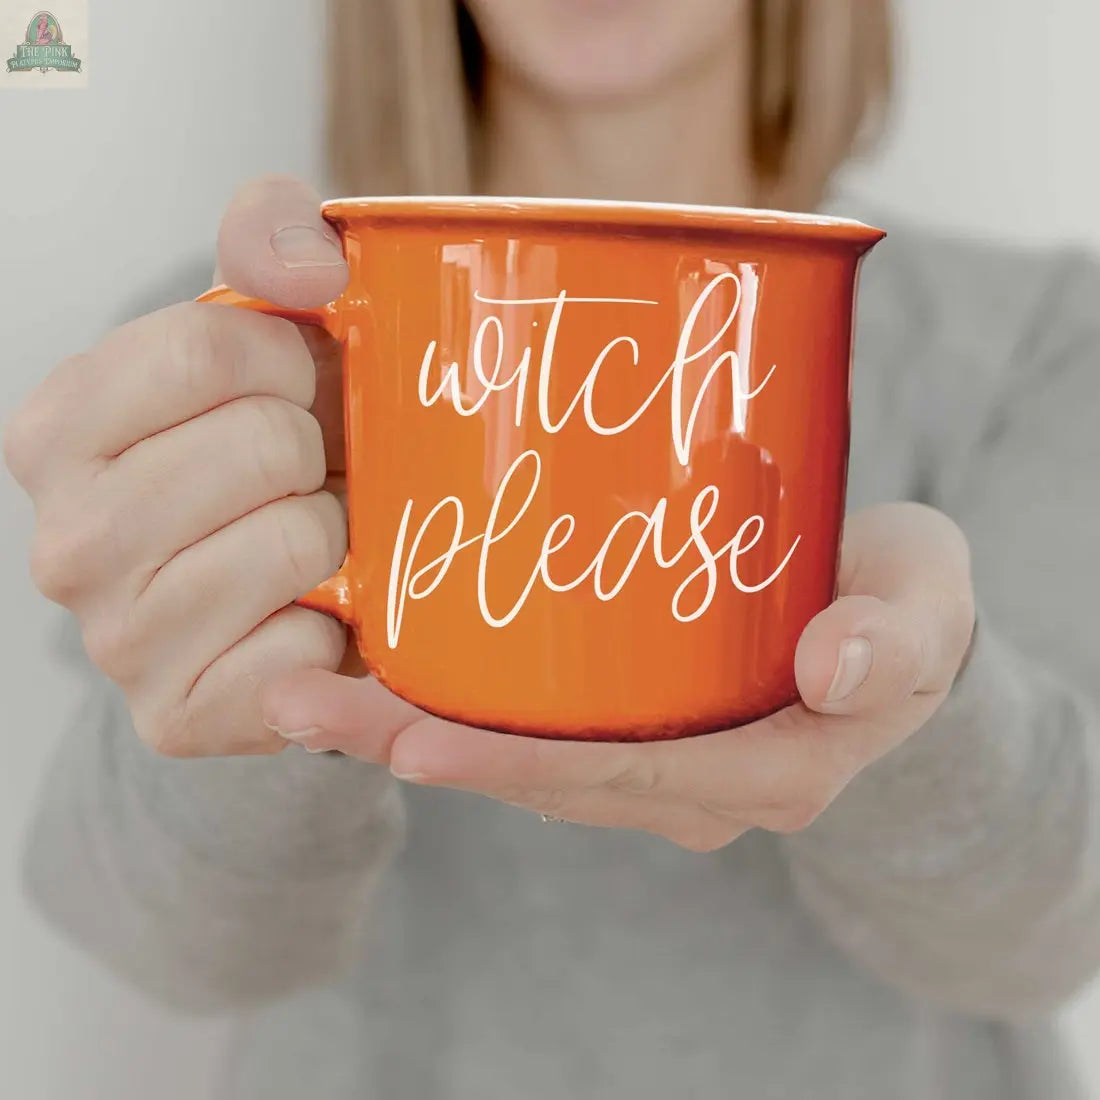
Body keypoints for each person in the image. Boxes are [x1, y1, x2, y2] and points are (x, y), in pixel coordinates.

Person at [5, 2, 1100, 1098]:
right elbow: (157, 941)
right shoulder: (247, 363)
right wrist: (273, 673)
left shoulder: (1034, 339)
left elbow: (1055, 927)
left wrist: (918, 704)